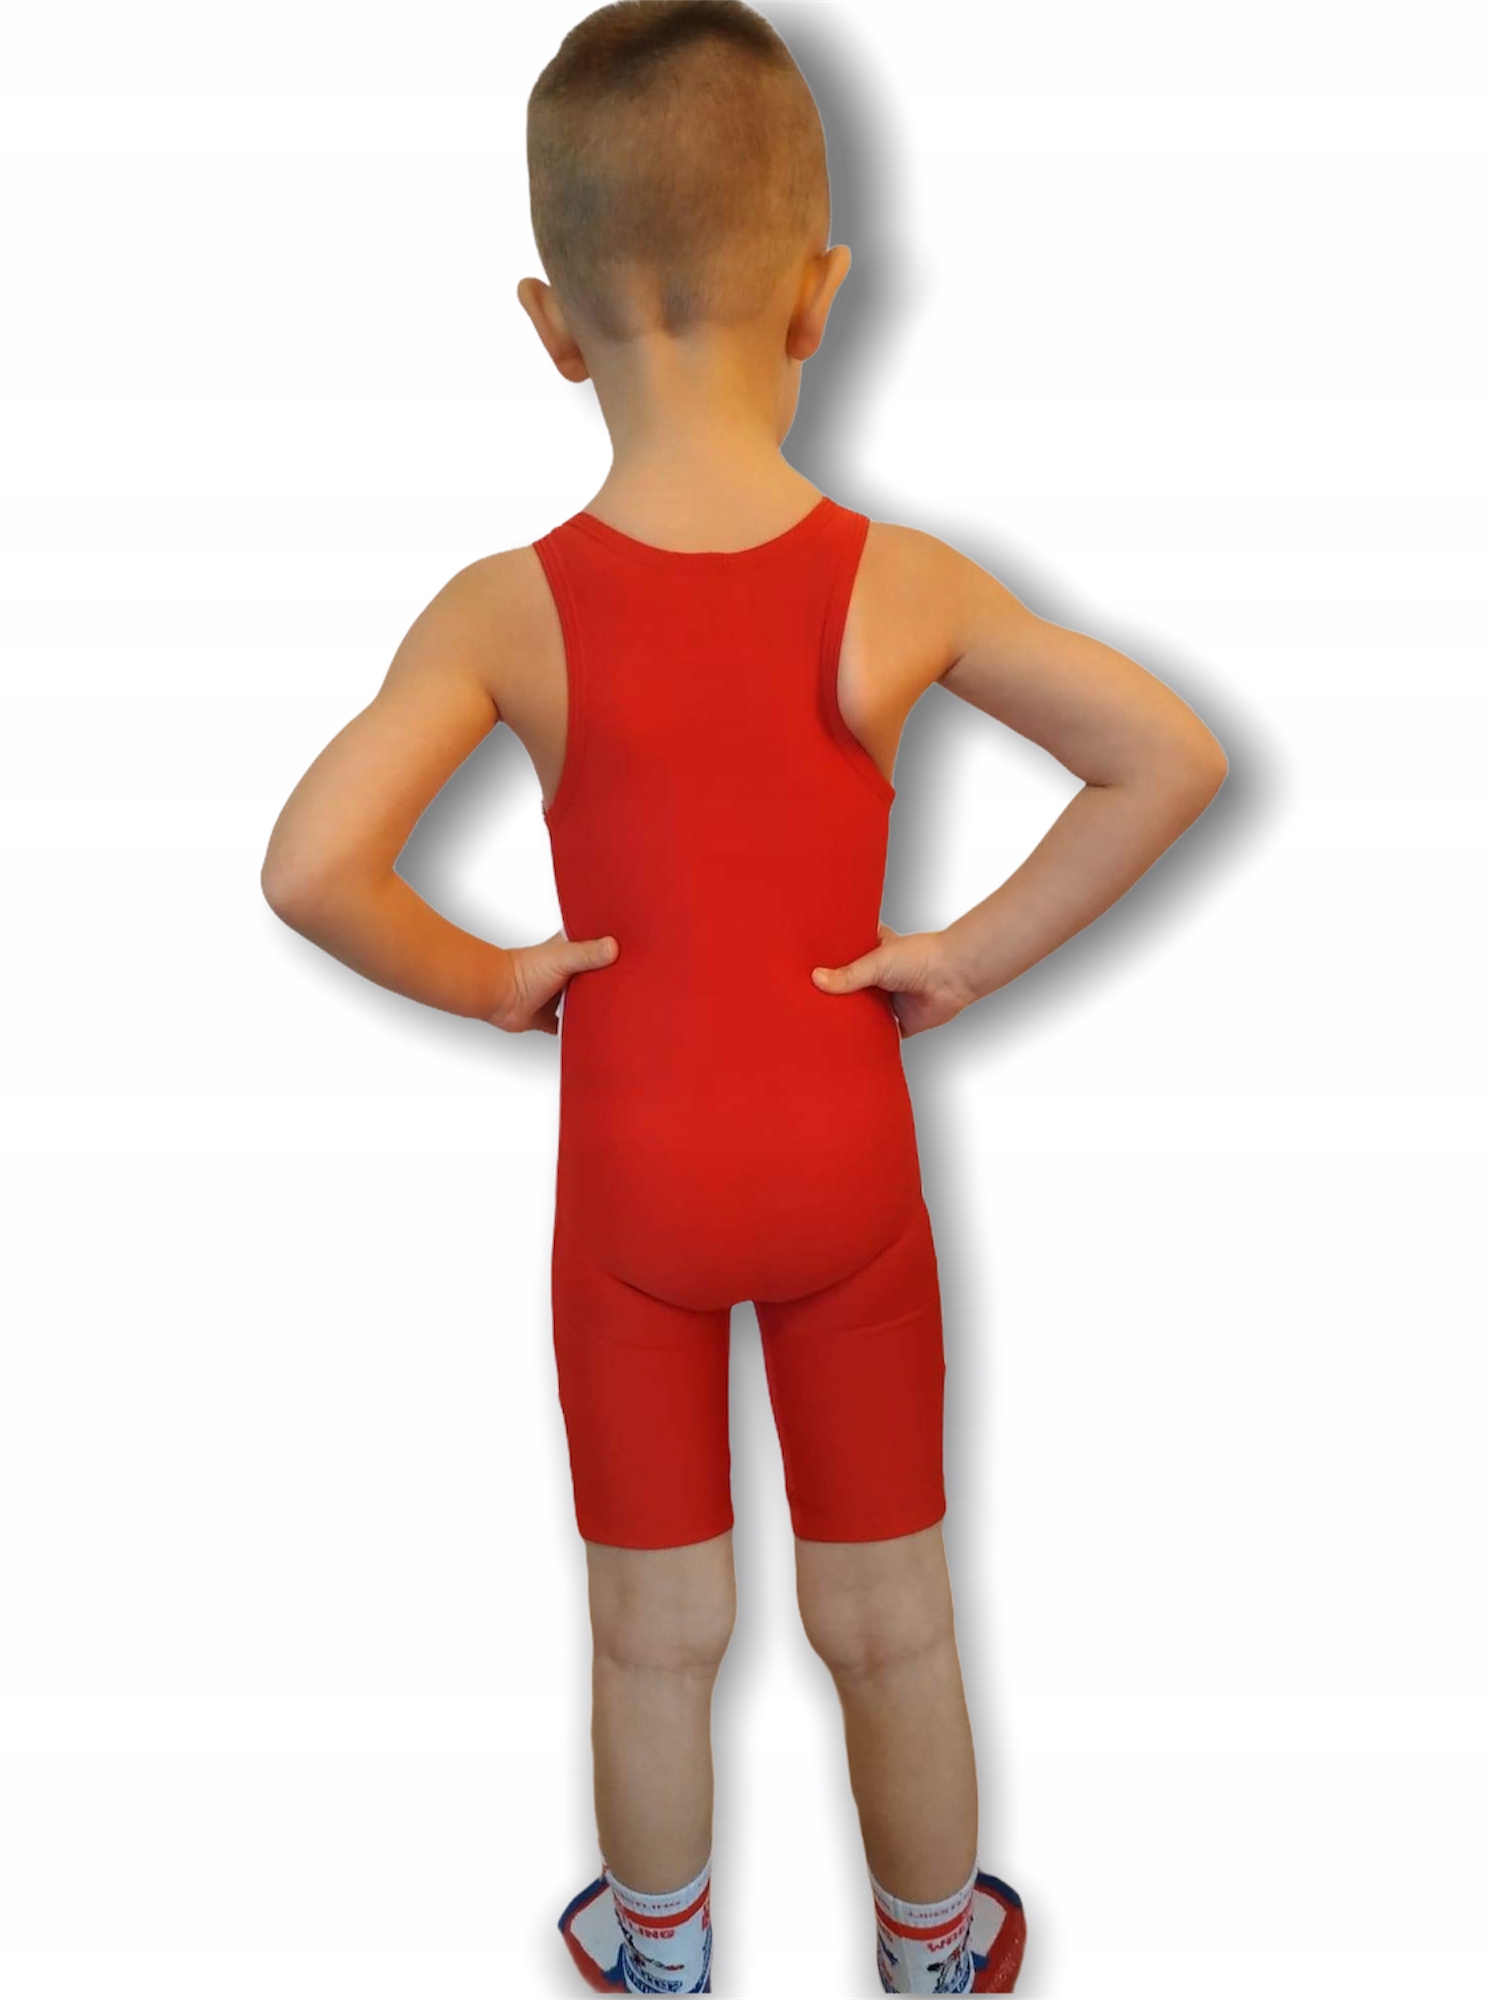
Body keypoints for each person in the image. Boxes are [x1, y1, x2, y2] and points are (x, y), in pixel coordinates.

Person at [260, 3, 1227, 1991]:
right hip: (842, 1152)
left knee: (653, 1635)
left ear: (551, 325)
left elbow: (309, 868)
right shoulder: (902, 581)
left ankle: (662, 1953)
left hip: (632, 1179)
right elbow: (1165, 758)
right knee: (893, 1618)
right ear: (819, 294)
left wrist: (500, 980)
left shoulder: (508, 609)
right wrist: (964, 952)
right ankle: (937, 1951)